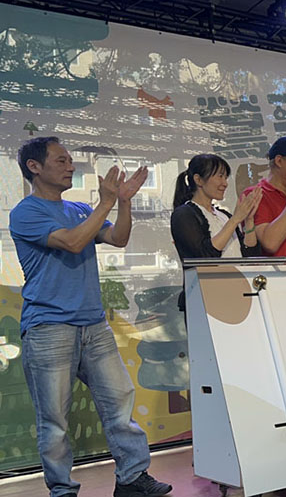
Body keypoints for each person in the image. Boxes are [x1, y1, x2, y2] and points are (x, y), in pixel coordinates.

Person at [9, 137, 171, 497]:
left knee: (120, 403)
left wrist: (123, 202)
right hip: (48, 327)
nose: (70, 166)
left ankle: (132, 478)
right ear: (34, 167)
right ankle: (62, 489)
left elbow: (118, 237)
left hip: (94, 324)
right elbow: (72, 242)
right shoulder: (25, 212)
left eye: (71, 160)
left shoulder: (80, 209)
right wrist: (107, 201)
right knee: (54, 418)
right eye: (61, 160)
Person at [170, 154, 263, 309]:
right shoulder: (184, 214)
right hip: (205, 299)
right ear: (198, 180)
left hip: (238, 293)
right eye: (220, 176)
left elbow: (250, 254)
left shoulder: (224, 215)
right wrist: (235, 219)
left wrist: (249, 220)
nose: (225, 183)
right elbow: (205, 256)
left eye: (226, 177)